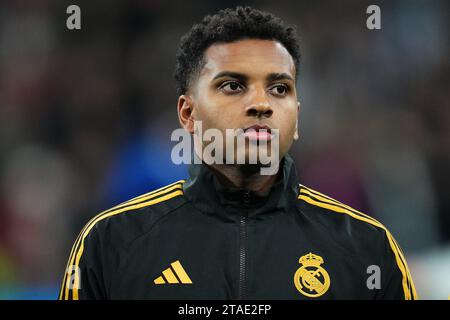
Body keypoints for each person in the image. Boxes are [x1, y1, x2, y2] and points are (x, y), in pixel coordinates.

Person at [58, 6, 417, 300]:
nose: (261, 103)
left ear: (297, 117)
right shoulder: (110, 243)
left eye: (279, 88)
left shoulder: (369, 249)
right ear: (188, 113)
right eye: (232, 86)